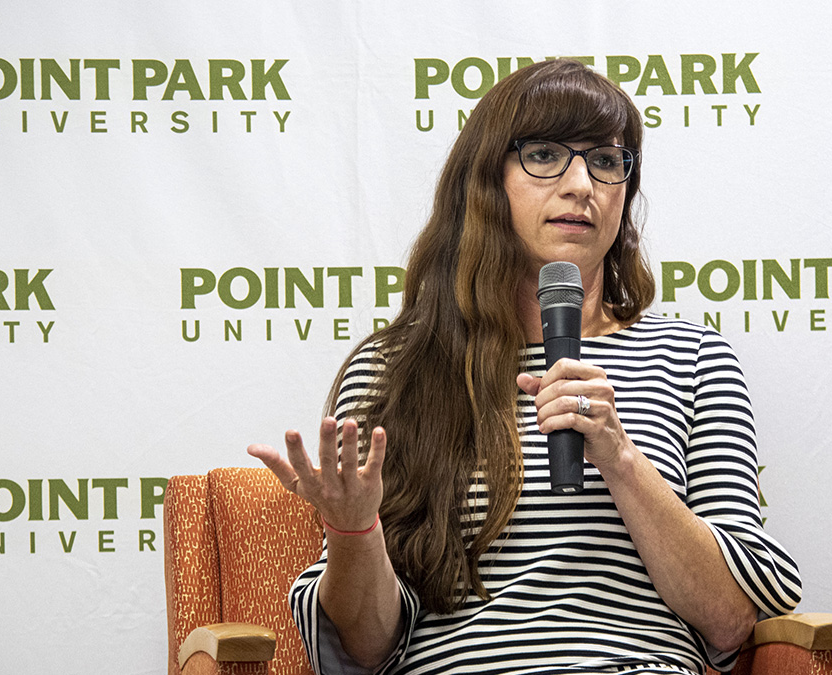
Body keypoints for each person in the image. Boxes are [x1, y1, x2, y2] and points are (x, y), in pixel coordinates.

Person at [248, 58, 802, 675]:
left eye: (605, 160)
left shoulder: (694, 358)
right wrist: (353, 531)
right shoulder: (395, 369)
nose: (580, 185)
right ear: (487, 182)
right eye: (544, 154)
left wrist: (620, 459)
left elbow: (729, 619)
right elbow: (368, 647)